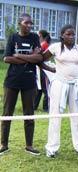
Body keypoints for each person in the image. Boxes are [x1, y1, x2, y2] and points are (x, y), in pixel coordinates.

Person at [0, 13, 42, 155]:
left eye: (31, 23)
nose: (30, 25)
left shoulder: (35, 37)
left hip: (29, 82)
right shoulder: (13, 37)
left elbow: (39, 57)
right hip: (12, 81)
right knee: (7, 114)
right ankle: (3, 145)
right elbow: (6, 58)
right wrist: (30, 58)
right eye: (27, 23)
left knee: (29, 114)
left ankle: (29, 145)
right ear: (20, 23)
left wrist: (18, 56)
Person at [43, 24, 78, 158]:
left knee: (76, 116)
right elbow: (40, 59)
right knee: (55, 116)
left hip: (75, 84)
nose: (71, 36)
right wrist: (51, 70)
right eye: (68, 34)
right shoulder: (55, 47)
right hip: (59, 84)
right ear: (62, 35)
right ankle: (51, 148)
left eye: (73, 34)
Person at [34, 29, 51, 112]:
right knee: (39, 87)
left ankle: (45, 107)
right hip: (40, 68)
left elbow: (40, 56)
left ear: (40, 35)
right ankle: (34, 105)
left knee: (44, 87)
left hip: (43, 68)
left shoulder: (44, 44)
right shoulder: (43, 44)